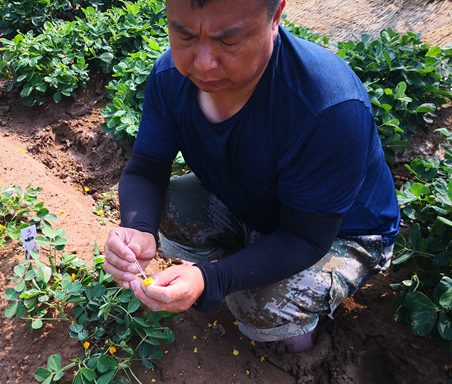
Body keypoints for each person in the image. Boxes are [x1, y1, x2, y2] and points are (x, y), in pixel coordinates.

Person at [103, 0, 400, 352]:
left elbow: (305, 238)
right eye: (183, 36)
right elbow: (146, 170)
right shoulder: (170, 78)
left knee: (255, 303)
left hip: (341, 232)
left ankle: (298, 336)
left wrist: (211, 277)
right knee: (164, 208)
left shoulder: (327, 106)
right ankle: (241, 263)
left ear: (275, 17)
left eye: (228, 42)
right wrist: (138, 229)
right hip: (254, 202)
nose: (203, 62)